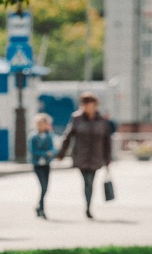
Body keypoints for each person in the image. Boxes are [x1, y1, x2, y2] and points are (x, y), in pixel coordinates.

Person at [57, 91, 112, 219]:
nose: (86, 106)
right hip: (81, 156)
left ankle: (88, 206)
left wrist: (108, 158)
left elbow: (107, 141)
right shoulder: (76, 118)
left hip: (96, 157)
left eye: (89, 103)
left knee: (90, 181)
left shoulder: (102, 121)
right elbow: (68, 136)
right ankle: (88, 206)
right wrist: (61, 153)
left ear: (95, 105)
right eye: (84, 103)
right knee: (87, 181)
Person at [28, 113, 57, 219]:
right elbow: (33, 151)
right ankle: (42, 210)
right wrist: (46, 153)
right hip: (37, 164)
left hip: (46, 164)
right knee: (43, 186)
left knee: (45, 188)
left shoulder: (49, 136)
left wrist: (52, 153)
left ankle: (39, 206)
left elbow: (53, 148)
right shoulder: (33, 137)